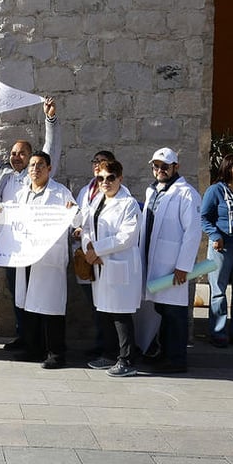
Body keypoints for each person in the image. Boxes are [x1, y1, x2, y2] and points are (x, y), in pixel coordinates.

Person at [0, 98, 61, 351]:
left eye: (22, 153)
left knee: (37, 292)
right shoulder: (3, 174)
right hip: (9, 245)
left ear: (33, 158)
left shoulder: (37, 173)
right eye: (13, 153)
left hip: (34, 245)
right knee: (16, 292)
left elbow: (52, 148)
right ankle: (24, 336)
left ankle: (40, 340)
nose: (17, 157)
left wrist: (50, 120)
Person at [12, 151, 75, 369]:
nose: (35, 169)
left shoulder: (60, 193)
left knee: (51, 308)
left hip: (49, 258)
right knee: (30, 306)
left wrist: (72, 214)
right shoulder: (21, 194)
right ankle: (33, 348)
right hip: (27, 257)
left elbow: (77, 220)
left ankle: (56, 353)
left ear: (49, 168)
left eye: (40, 165)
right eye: (31, 165)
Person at [141, 147, 201, 374]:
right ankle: (164, 354)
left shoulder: (187, 194)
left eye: (164, 166)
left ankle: (176, 359)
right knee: (163, 310)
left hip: (174, 266)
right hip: (155, 263)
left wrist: (183, 266)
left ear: (176, 167)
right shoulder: (153, 191)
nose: (159, 170)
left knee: (175, 314)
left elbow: (193, 232)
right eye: (156, 166)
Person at [81, 161, 143, 377]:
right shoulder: (98, 199)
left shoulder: (128, 204)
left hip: (119, 264)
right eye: (101, 178)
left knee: (121, 314)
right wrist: (89, 248)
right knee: (105, 311)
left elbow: (127, 237)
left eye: (111, 178)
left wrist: (97, 250)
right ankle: (109, 354)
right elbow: (87, 227)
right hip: (100, 265)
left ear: (120, 178)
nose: (105, 182)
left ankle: (127, 360)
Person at [73, 150, 117, 358]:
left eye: (102, 162)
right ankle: (101, 343)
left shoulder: (112, 191)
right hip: (87, 252)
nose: (97, 165)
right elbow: (83, 217)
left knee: (108, 304)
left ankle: (111, 347)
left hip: (104, 254)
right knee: (95, 303)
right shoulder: (85, 190)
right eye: (95, 161)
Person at [200, 153, 233, 348]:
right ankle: (218, 332)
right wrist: (215, 235)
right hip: (222, 247)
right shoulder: (215, 190)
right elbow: (203, 217)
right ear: (227, 168)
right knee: (218, 291)